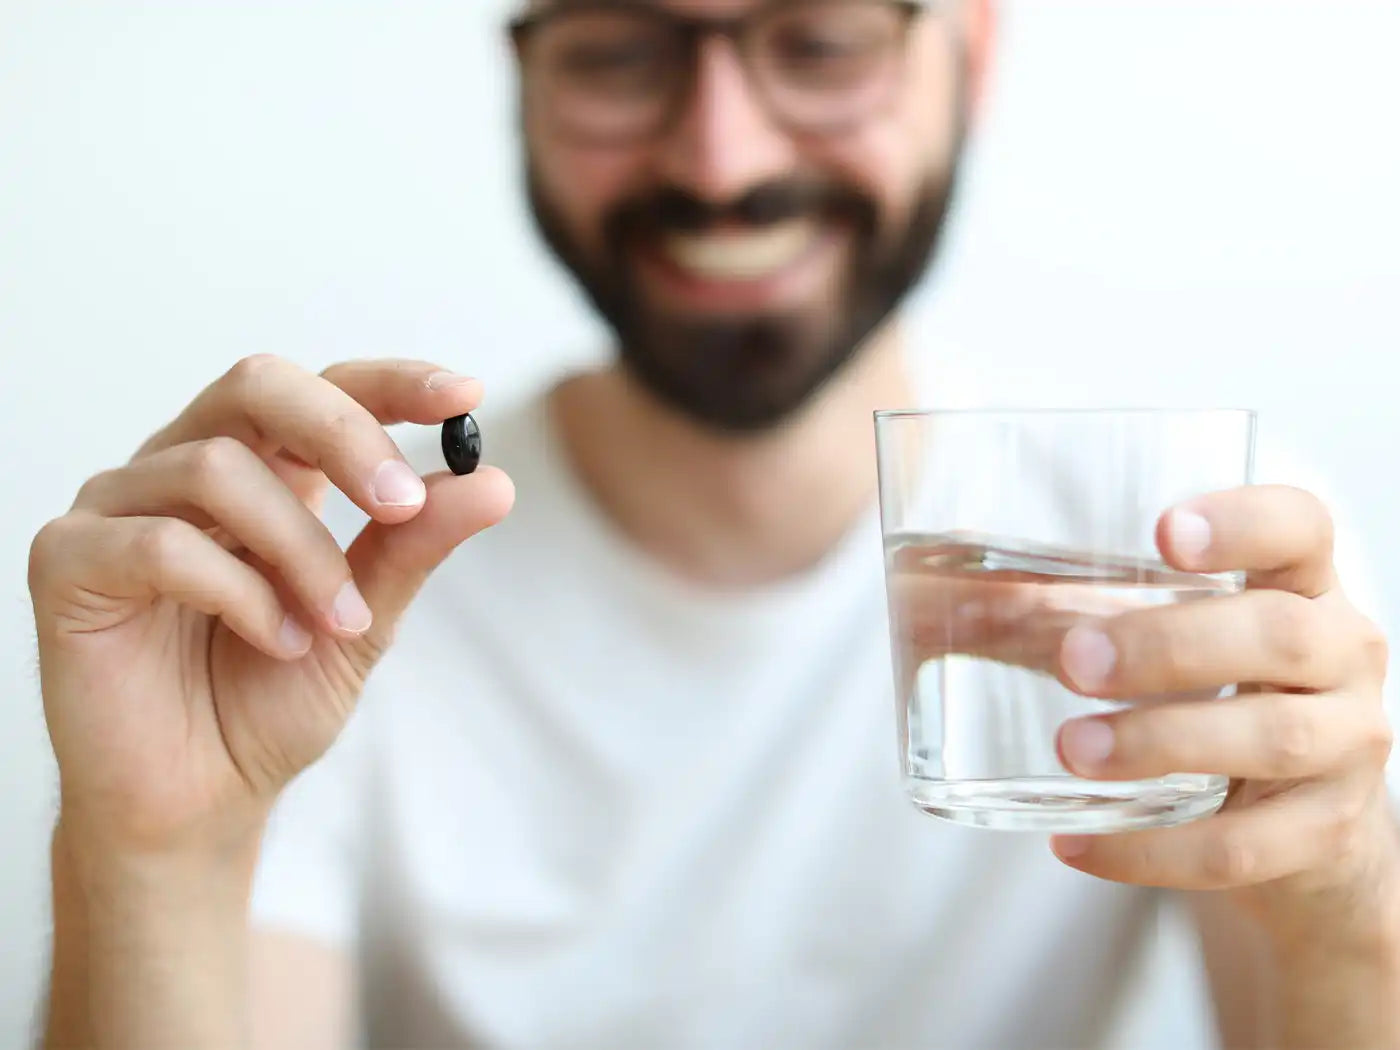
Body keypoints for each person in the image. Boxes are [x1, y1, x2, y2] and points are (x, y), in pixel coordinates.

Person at [26, 1, 1399, 1048]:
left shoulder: (1190, 558)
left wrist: (1341, 898)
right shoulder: (326, 595)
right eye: (625, 48)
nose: (721, 154)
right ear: (527, 85)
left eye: (817, 39)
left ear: (969, 56)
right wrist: (150, 855)